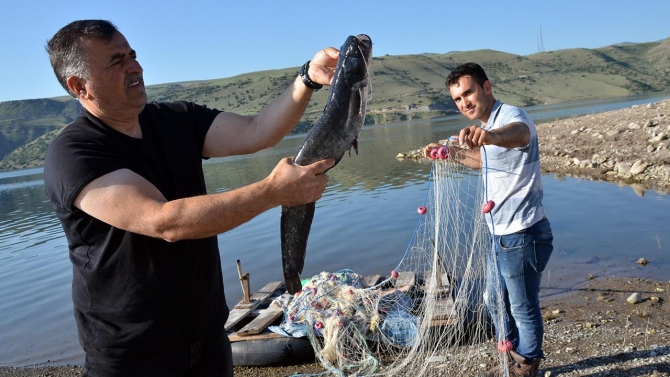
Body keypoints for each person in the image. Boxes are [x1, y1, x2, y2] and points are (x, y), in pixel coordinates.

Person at [43, 19, 339, 377]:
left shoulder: (176, 119)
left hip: (208, 336)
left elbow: (257, 131)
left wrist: (307, 78)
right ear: (79, 86)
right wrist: (273, 191)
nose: (135, 67)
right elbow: (165, 221)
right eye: (116, 61)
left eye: (132, 55)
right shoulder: (74, 152)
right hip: (133, 354)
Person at [424, 62, 553, 377]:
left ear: (487, 87)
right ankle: (510, 353)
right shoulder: (487, 126)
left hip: (523, 233)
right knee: (493, 300)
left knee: (522, 307)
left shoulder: (511, 117)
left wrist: (490, 135)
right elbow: (483, 162)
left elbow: (519, 135)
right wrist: (449, 153)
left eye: (468, 92)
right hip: (500, 234)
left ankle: (527, 365)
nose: (464, 102)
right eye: (457, 98)